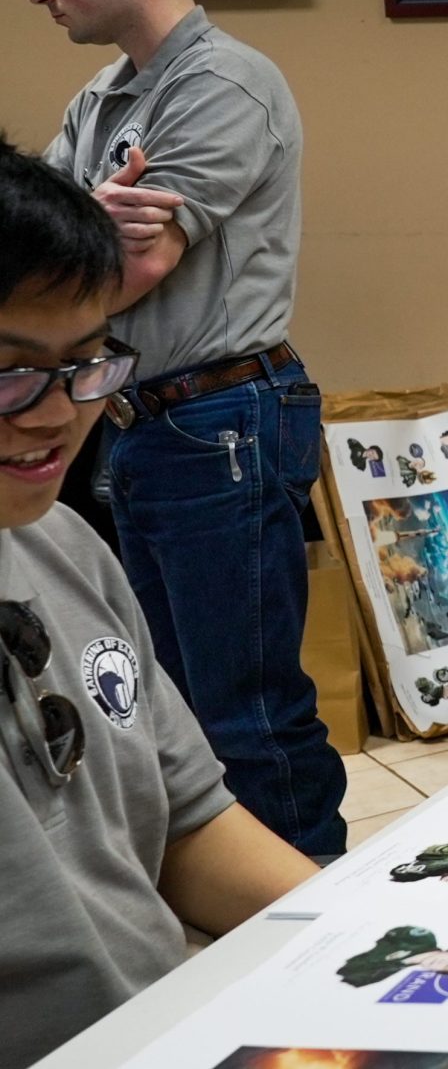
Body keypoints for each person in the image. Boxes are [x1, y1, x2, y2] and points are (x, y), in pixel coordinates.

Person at [27, 0, 346, 855]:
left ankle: (309, 904)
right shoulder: (104, 96)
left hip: (220, 422)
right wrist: (86, 222)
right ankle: (228, 915)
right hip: (139, 422)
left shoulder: (223, 84)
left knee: (247, 713)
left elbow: (126, 273)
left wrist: (82, 233)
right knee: (168, 710)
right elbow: (32, 256)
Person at [0, 141, 320, 1069]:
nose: (55, 414)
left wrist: (371, 936)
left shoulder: (63, 547)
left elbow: (189, 823)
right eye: (10, 374)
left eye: (86, 364)